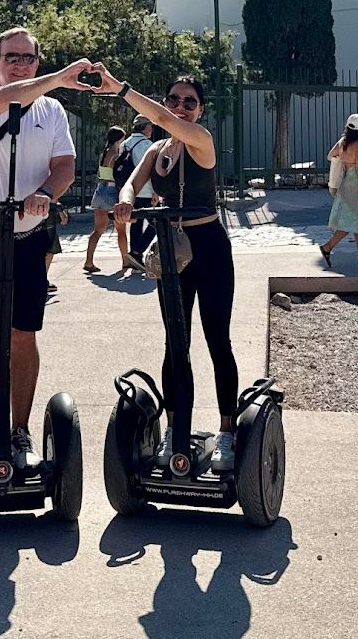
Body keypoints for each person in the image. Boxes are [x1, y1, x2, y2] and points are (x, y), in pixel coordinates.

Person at [0, 28, 92, 480]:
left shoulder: (51, 111)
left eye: (28, 58)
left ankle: (20, 432)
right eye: (12, 57)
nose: (20, 64)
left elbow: (64, 164)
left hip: (26, 238)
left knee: (24, 334)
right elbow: (5, 99)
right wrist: (57, 77)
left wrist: (47, 192)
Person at [96, 65, 239, 475]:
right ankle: (175, 432)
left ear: (201, 109)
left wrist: (121, 89)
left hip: (208, 247)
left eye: (189, 102)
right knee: (175, 344)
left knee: (217, 341)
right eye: (173, 100)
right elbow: (131, 182)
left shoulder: (202, 141)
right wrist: (124, 202)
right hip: (172, 254)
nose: (180, 107)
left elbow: (162, 121)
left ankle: (227, 432)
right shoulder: (156, 152)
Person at [320, 113, 358, 266]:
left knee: (356, 220)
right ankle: (327, 247)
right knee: (351, 222)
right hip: (354, 185)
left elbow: (330, 155)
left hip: (344, 183)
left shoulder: (342, 142)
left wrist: (343, 161)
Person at [83, 126, 135, 273]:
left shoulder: (104, 153)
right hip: (112, 191)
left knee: (98, 230)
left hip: (100, 190)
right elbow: (117, 174)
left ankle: (88, 261)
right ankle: (125, 260)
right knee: (121, 230)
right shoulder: (115, 154)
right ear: (119, 139)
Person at [122, 114, 159, 264]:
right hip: (146, 190)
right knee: (156, 224)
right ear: (145, 128)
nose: (151, 129)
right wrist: (156, 191)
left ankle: (134, 254)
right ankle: (138, 251)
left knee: (135, 222)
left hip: (129, 191)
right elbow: (152, 170)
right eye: (150, 126)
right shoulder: (148, 145)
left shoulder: (125, 144)